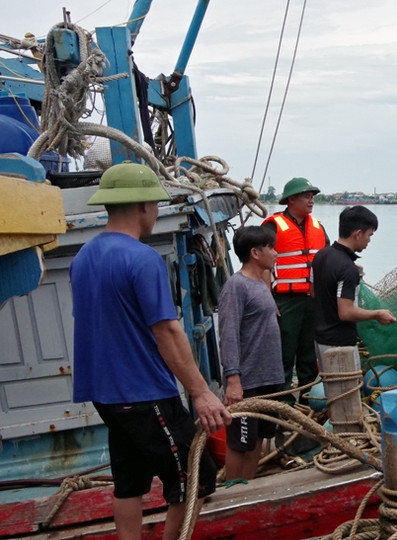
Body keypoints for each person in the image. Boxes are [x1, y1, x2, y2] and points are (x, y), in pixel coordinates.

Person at [70, 162, 231, 540]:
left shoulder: (82, 258)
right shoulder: (142, 259)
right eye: (155, 205)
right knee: (195, 479)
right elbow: (167, 332)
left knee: (130, 482)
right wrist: (202, 392)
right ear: (144, 206)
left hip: (104, 395)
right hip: (143, 392)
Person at [217, 226, 284, 480]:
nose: (276, 253)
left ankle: (248, 486)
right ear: (255, 253)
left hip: (269, 377)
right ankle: (233, 491)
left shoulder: (261, 284)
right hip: (248, 381)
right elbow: (229, 334)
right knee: (240, 442)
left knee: (259, 437)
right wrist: (233, 379)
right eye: (271, 248)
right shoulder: (236, 286)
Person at [261, 177, 328, 406]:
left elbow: (327, 259)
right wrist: (267, 299)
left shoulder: (318, 226)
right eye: (306, 196)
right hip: (284, 301)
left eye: (312, 196)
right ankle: (283, 405)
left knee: (309, 354)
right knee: (285, 354)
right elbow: (261, 264)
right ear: (291, 199)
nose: (311, 201)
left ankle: (310, 400)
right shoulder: (273, 226)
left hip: (311, 299)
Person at [311, 206, 396, 368]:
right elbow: (346, 312)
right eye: (369, 235)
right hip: (340, 345)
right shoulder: (347, 268)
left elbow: (313, 291)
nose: (369, 240)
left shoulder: (320, 256)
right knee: (346, 392)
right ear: (358, 234)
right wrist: (378, 314)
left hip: (320, 340)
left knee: (332, 389)